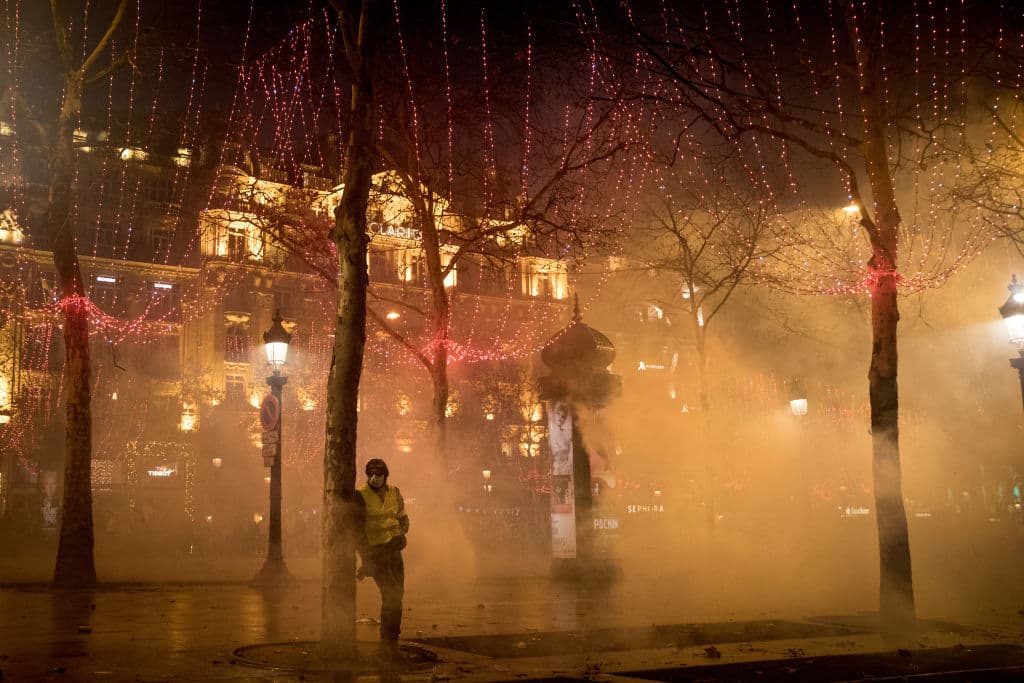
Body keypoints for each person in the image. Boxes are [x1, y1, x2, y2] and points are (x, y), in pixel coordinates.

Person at [356, 458, 409, 658]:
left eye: (379, 475)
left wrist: (403, 525)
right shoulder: (360, 496)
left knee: (397, 597)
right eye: (371, 475)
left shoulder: (395, 492)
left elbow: (402, 515)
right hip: (377, 553)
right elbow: (358, 532)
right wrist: (366, 558)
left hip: (394, 551)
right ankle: (388, 645)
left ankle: (391, 642)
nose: (375, 479)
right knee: (392, 597)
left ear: (386, 475)